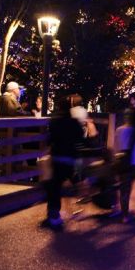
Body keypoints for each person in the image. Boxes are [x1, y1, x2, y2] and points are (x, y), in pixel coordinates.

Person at [43, 95, 87, 229]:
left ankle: (54, 216)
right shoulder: (73, 122)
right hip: (70, 158)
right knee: (72, 180)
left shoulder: (54, 121)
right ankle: (82, 198)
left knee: (54, 187)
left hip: (57, 157)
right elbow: (80, 138)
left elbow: (49, 139)